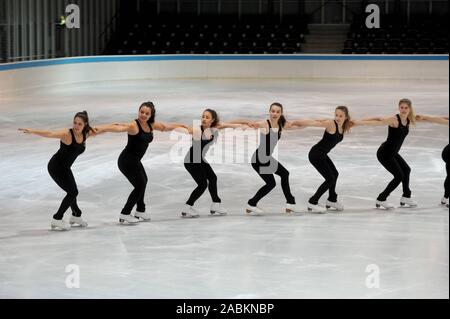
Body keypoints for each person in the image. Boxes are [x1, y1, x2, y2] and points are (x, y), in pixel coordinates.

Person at [19, 111, 96, 230]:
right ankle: (57, 218)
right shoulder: (67, 134)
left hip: (65, 168)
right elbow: (50, 133)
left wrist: (121, 125)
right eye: (75, 123)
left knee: (72, 191)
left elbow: (103, 128)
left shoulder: (86, 133)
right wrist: (33, 131)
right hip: (55, 167)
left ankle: (76, 215)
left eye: (79, 124)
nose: (76, 126)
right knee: (73, 192)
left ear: (85, 125)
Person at [180, 109, 249, 218]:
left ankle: (216, 204)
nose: (204, 119)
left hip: (199, 159)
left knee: (212, 178)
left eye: (207, 117)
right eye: (203, 116)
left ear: (212, 120)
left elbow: (230, 124)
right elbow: (186, 129)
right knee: (202, 185)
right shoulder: (197, 129)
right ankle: (187, 207)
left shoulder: (214, 128)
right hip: (191, 161)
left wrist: (246, 123)